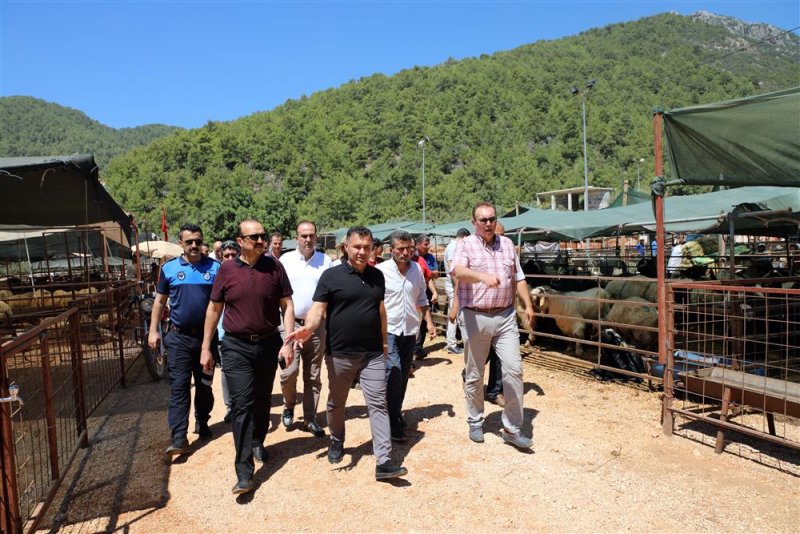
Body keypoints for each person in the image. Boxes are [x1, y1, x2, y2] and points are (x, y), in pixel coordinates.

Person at [286, 226, 408, 481]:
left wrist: (384, 343)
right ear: (346, 247)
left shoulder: (377, 276)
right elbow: (318, 308)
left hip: (372, 353)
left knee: (378, 403)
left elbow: (380, 311)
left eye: (367, 247)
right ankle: (337, 439)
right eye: (357, 247)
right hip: (340, 353)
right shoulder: (331, 277)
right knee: (336, 402)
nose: (363, 252)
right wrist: (308, 328)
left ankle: (384, 461)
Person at [200, 219, 295, 495]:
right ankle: (244, 472)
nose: (260, 240)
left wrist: (287, 342)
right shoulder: (227, 270)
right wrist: (206, 346)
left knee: (263, 399)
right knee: (241, 405)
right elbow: (214, 309)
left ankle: (257, 441)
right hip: (235, 346)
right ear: (240, 241)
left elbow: (287, 305)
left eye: (262, 236)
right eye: (253, 237)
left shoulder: (274, 267)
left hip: (268, 344)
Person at [451, 202, 535, 450]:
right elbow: (457, 271)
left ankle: (511, 428)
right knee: (475, 372)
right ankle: (475, 419)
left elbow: (518, 277)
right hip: (476, 317)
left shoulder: (507, 245)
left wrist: (527, 304)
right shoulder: (465, 245)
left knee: (514, 370)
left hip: (506, 315)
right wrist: (482, 277)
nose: (488, 223)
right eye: (483, 219)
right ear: (474, 222)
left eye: (491, 219)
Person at [149, 223, 220, 457]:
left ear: (202, 243)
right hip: (178, 337)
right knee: (179, 387)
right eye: (189, 241)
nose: (194, 245)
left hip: (206, 339)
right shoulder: (169, 269)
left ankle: (202, 420)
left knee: (204, 386)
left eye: (198, 241)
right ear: (181, 243)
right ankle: (179, 436)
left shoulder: (216, 268)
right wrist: (153, 331)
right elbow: (159, 302)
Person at [378, 230, 436, 442]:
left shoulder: (417, 271)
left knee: (403, 375)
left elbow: (421, 297)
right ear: (391, 250)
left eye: (409, 248)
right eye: (400, 249)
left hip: (410, 330)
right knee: (393, 372)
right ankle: (392, 420)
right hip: (390, 330)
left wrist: (429, 322)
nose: (405, 252)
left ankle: (395, 413)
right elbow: (376, 302)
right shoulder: (381, 271)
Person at [278, 220, 332, 436]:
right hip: (290, 325)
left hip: (316, 327)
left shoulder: (326, 261)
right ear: (296, 237)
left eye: (311, 235)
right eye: (303, 235)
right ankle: (289, 405)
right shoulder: (285, 260)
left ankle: (310, 418)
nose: (308, 239)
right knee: (288, 372)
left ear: (316, 237)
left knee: (313, 375)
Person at [216, 240, 241, 423]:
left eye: (234, 255)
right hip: (222, 333)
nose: (231, 258)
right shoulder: (215, 275)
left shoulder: (245, 272)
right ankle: (230, 405)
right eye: (227, 256)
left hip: (242, 332)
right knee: (226, 370)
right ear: (221, 257)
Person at [443, 228, 470, 355]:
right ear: (464, 237)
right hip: (454, 285)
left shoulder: (451, 246)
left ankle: (451, 342)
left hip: (454, 285)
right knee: (455, 313)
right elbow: (452, 268)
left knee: (453, 313)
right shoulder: (454, 247)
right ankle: (452, 344)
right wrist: (457, 287)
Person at [413, 235, 439, 359]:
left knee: (423, 320)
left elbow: (432, 276)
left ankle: (418, 348)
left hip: (423, 293)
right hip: (409, 296)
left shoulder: (423, 260)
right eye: (425, 244)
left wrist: (434, 292)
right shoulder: (398, 262)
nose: (428, 247)